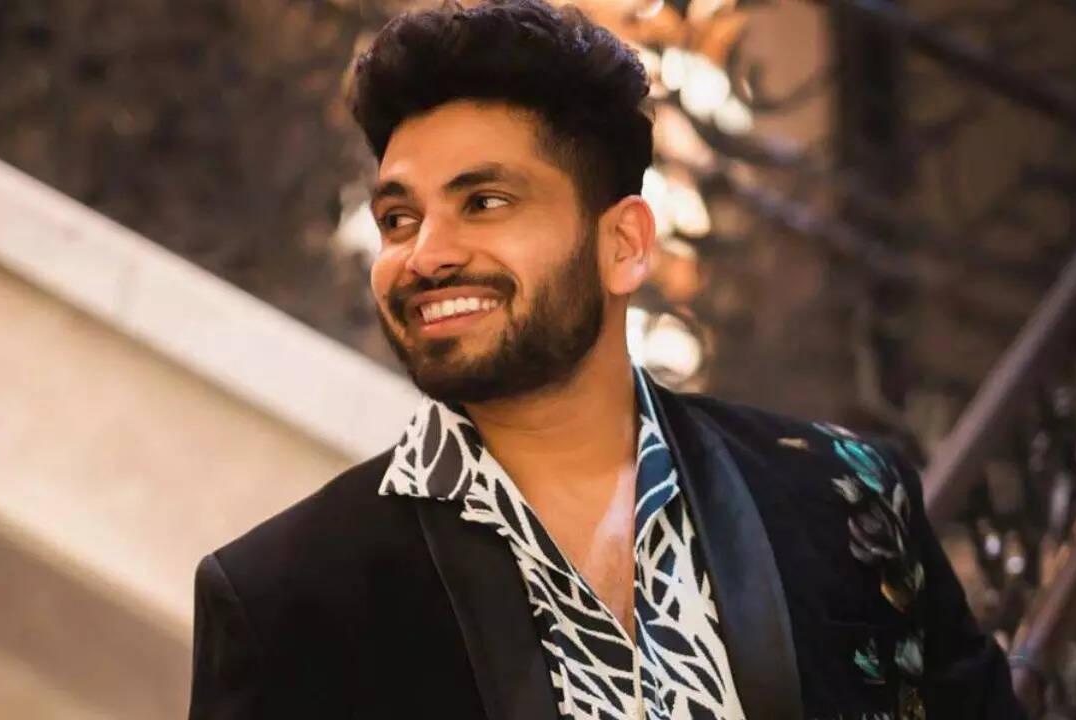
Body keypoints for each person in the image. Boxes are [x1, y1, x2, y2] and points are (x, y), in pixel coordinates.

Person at [188, 0, 1026, 717]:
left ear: (623, 243)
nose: (425, 255)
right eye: (398, 219)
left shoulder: (847, 497)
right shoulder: (284, 601)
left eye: (485, 201)